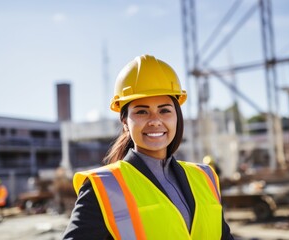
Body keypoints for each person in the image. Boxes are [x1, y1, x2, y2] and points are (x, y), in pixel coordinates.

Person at [63, 55, 234, 239]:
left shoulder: (204, 178)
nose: (155, 121)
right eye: (142, 111)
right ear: (125, 122)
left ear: (177, 116)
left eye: (164, 110)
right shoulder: (105, 187)